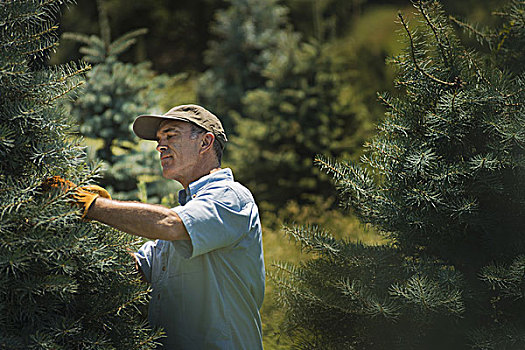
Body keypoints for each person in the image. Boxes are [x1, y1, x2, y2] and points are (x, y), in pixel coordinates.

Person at [50, 105, 265, 349]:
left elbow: (170, 225)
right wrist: (70, 231)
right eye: (159, 139)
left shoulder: (231, 196)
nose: (159, 146)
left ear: (205, 142)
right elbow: (138, 271)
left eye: (171, 135)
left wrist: (93, 206)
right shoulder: (184, 215)